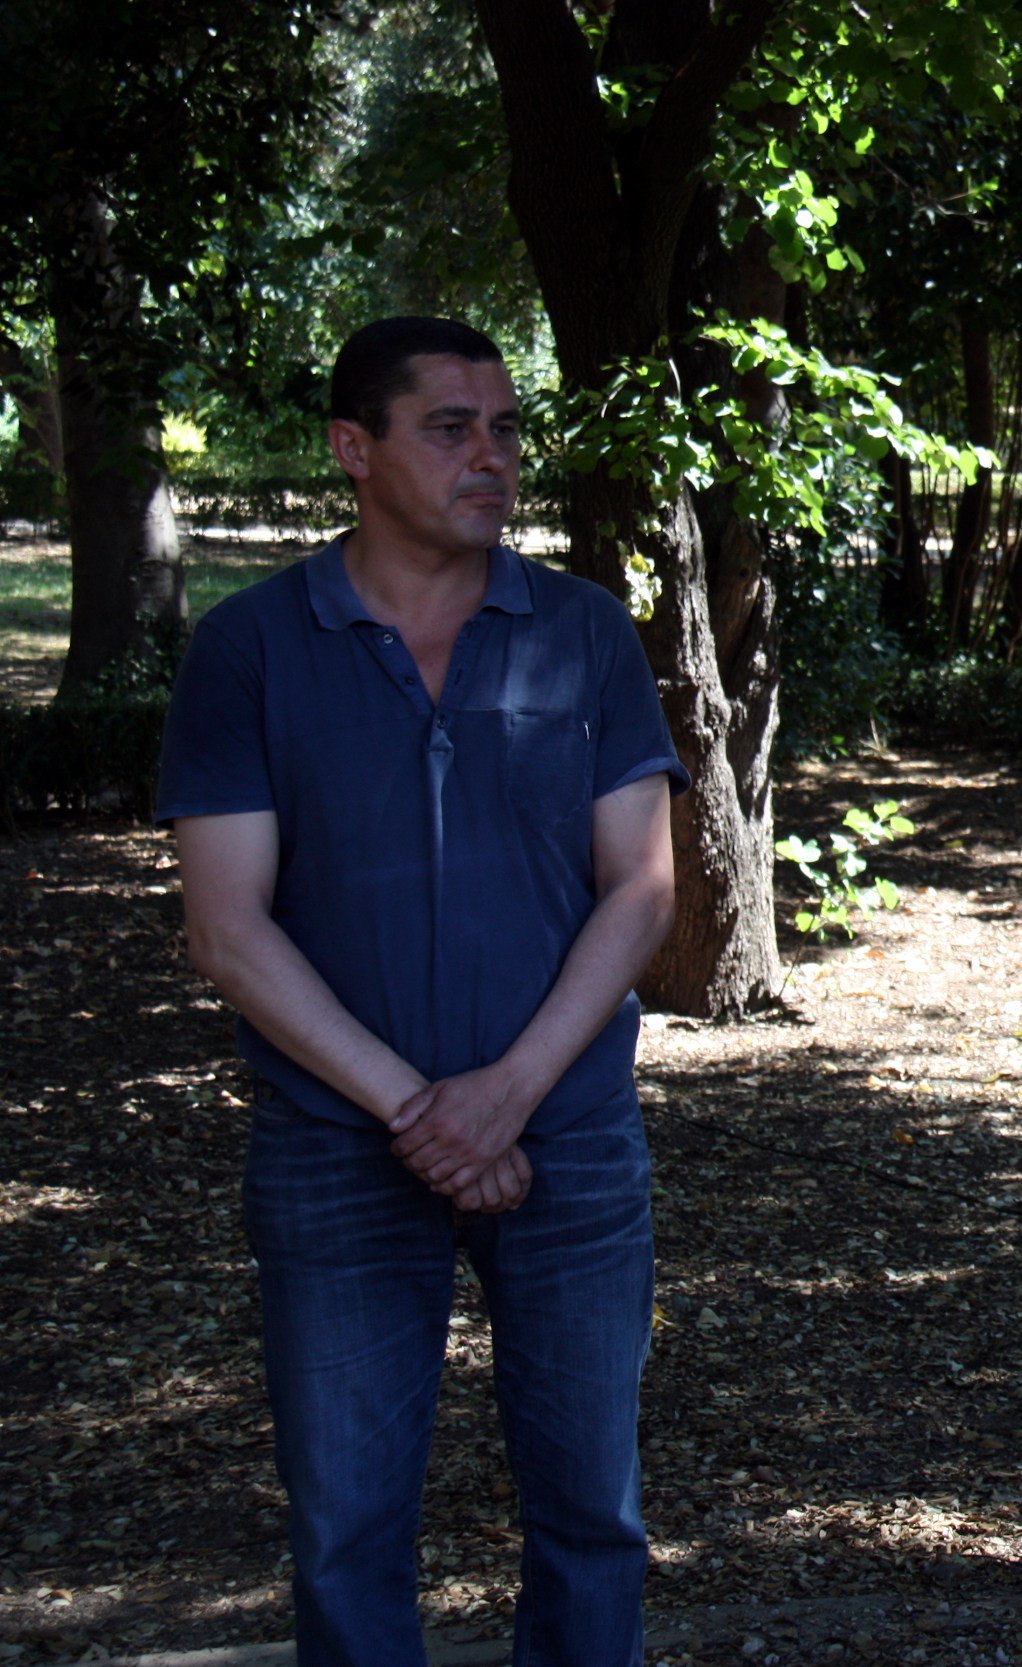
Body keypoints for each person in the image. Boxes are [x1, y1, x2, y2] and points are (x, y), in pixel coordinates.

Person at [157, 316, 686, 1667]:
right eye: (452, 428)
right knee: (346, 1530)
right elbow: (228, 928)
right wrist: (418, 1111)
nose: (492, 456)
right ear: (354, 448)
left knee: (593, 1518)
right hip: (338, 1149)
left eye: (507, 429)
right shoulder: (252, 649)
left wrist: (505, 1097)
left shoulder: (584, 633)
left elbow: (643, 889)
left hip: (564, 1141)